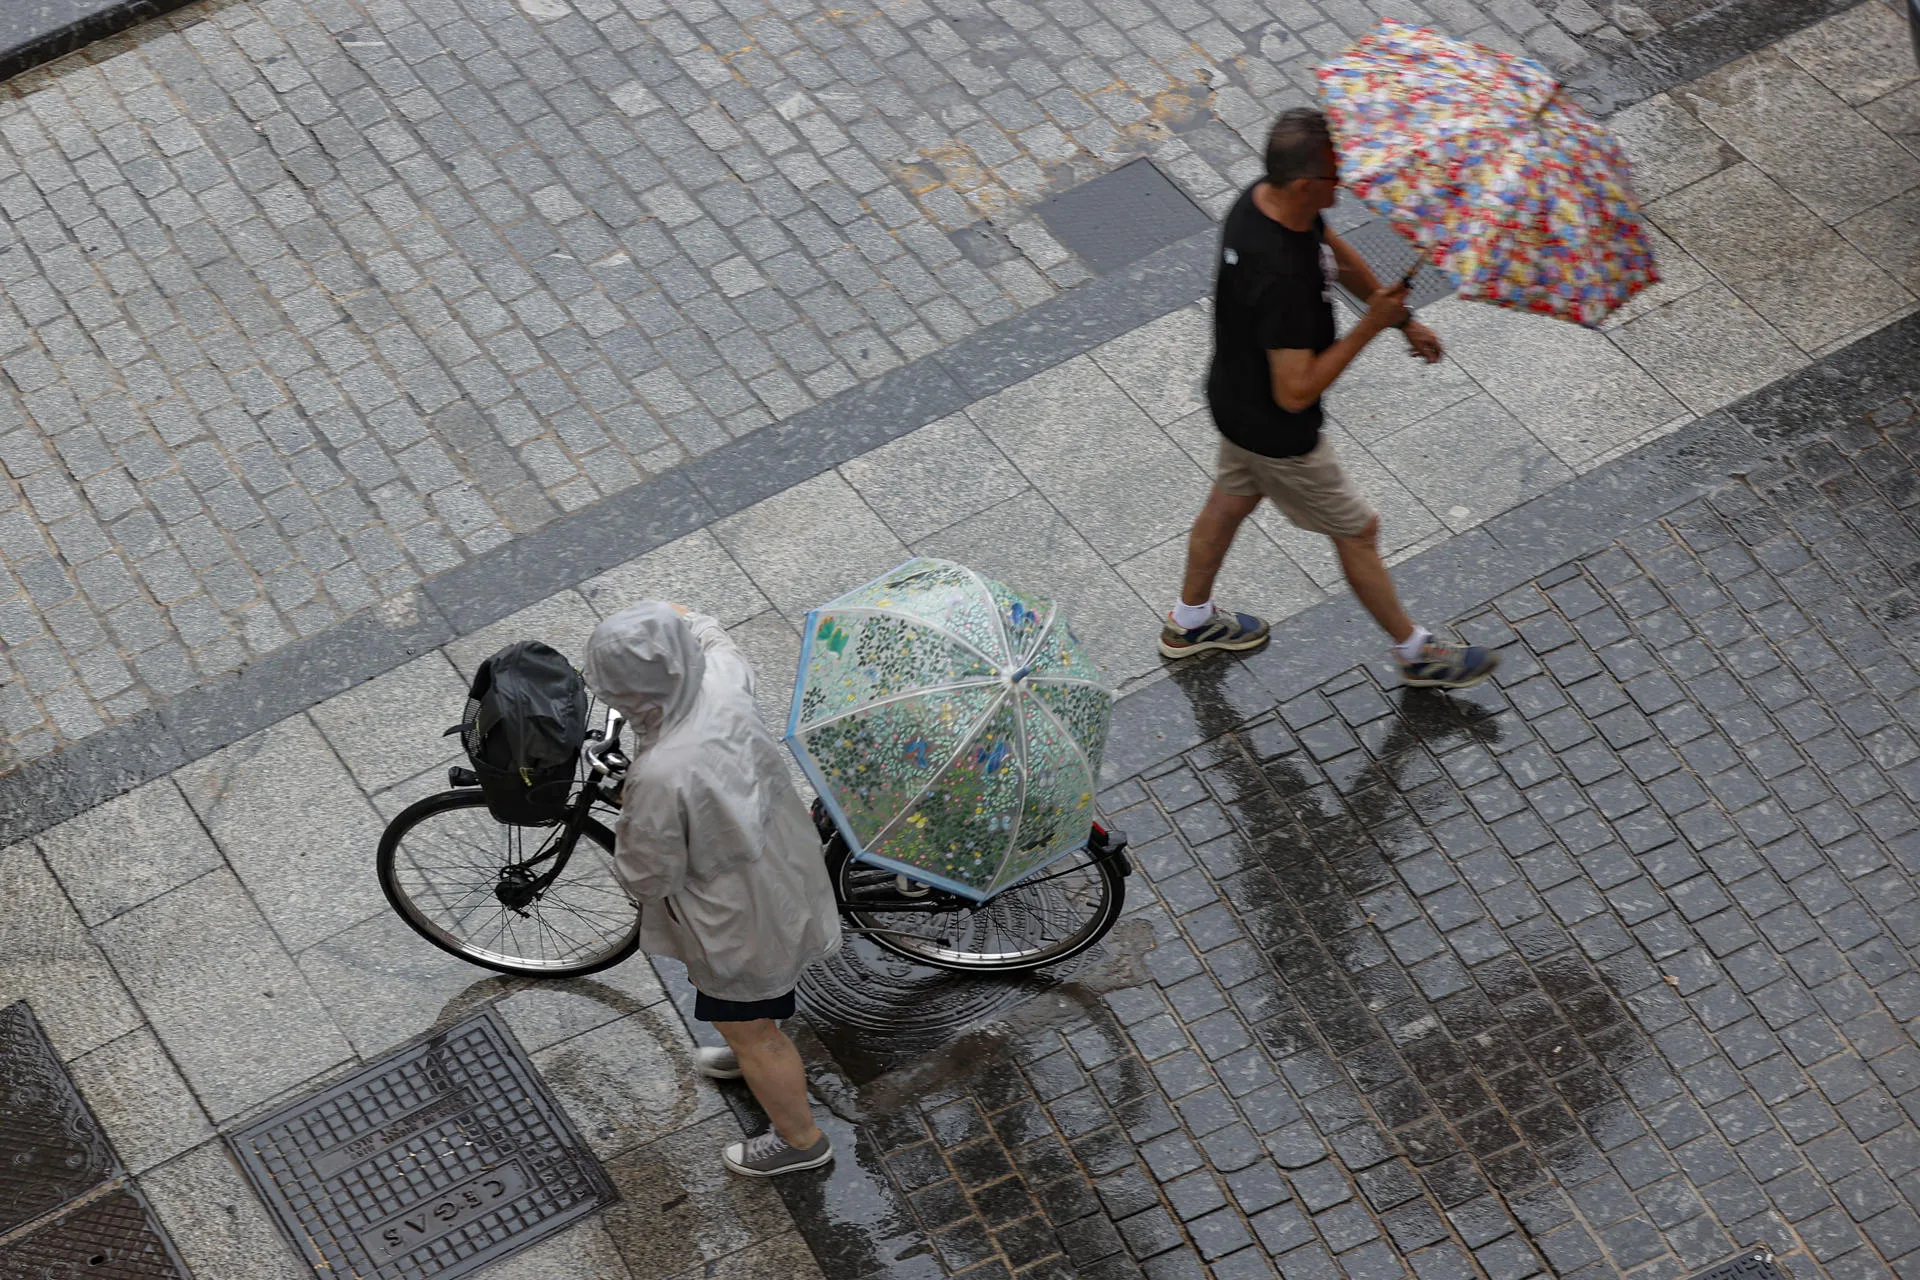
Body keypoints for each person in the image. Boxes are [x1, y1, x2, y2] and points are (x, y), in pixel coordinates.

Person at [1160, 107, 1498, 691]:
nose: (1345, 184)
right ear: (1303, 184)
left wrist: (1402, 320)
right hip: (1276, 431)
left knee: (1230, 500)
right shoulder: (1281, 278)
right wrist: (1373, 325)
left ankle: (1190, 623)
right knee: (1358, 530)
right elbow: (1295, 393)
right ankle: (1416, 654)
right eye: (1334, 176)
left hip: (1234, 399)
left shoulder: (1263, 203)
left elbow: (1335, 257)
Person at [583, 601, 841, 1177]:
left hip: (735, 916)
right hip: (782, 863)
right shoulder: (723, 680)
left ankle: (799, 1140)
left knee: (748, 1023)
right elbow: (711, 633)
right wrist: (679, 617)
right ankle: (755, 1051)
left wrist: (629, 815)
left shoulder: (661, 774)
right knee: (759, 1010)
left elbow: (648, 874)